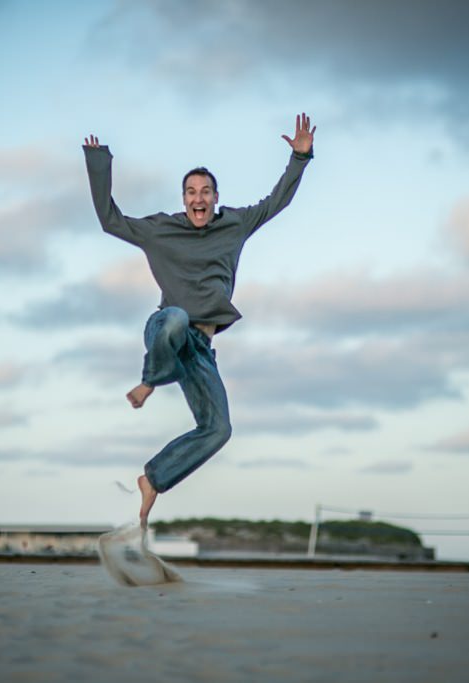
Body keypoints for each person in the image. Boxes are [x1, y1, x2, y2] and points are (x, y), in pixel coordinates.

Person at [83, 113, 316, 527]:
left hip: (200, 352)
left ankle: (153, 478)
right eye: (191, 192)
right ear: (183, 198)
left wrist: (300, 158)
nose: (199, 199)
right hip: (166, 332)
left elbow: (276, 201)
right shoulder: (161, 229)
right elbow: (109, 219)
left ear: (215, 197)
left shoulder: (235, 224)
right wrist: (99, 162)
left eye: (206, 192)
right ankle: (149, 382)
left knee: (219, 428)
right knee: (174, 318)